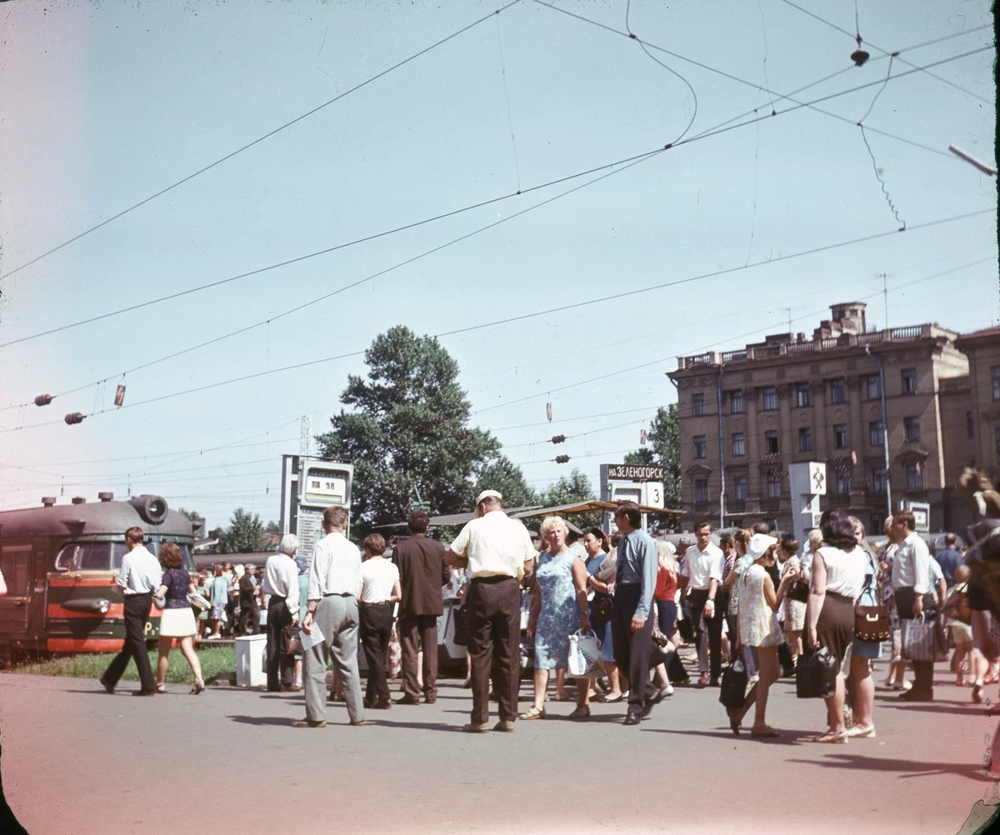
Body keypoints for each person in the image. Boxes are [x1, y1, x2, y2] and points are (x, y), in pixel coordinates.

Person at [447, 489, 536, 733]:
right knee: (509, 653)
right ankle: (508, 717)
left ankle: (480, 719)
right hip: (509, 590)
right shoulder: (518, 527)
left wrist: (472, 559)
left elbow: (451, 557)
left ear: (483, 506)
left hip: (482, 591)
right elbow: (528, 566)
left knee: (480, 654)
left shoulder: (474, 526)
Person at [296, 505, 365, 728]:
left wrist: (309, 611)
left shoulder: (323, 545)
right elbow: (358, 578)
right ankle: (357, 715)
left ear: (324, 525)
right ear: (345, 524)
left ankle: (316, 716)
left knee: (315, 657)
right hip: (351, 604)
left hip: (329, 602)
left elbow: (317, 578)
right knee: (348, 661)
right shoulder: (354, 548)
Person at [806, 509, 868, 743]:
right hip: (848, 610)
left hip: (828, 609)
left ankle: (838, 727)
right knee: (838, 668)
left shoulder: (822, 553)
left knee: (827, 668)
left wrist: (812, 625)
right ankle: (837, 722)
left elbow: (817, 590)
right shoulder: (859, 554)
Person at [521, 517, 592, 721]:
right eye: (552, 532)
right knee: (541, 660)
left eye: (559, 531)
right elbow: (539, 592)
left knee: (576, 662)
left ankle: (583, 704)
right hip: (546, 618)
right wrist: (533, 617)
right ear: (546, 536)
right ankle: (538, 705)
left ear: (565, 533)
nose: (556, 534)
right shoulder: (542, 559)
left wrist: (584, 614)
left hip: (570, 617)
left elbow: (581, 589)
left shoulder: (574, 558)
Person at [729, 534, 792, 737]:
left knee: (773, 673)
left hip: (752, 628)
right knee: (766, 675)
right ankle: (758, 722)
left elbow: (741, 605)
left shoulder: (746, 572)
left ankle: (741, 710)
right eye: (773, 550)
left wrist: (739, 635)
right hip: (764, 628)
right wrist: (785, 582)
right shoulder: (762, 575)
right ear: (765, 552)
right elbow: (775, 604)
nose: (775, 554)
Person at [611, 502, 662, 726]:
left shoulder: (646, 542)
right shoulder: (623, 541)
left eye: (617, 515)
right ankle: (648, 689)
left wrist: (642, 611)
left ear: (627, 518)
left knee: (637, 656)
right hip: (621, 595)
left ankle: (635, 706)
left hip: (637, 597)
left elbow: (649, 580)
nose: (614, 519)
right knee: (621, 653)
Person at [393, 510, 450, 705]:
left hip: (408, 603)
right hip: (431, 602)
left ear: (409, 527)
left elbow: (396, 578)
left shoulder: (401, 549)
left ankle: (412, 692)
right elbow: (446, 576)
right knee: (430, 648)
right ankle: (431, 692)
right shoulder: (438, 547)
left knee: (409, 648)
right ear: (427, 527)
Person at [100, 527, 162, 696]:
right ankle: (110, 678)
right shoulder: (152, 559)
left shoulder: (128, 558)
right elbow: (157, 584)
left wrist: (118, 589)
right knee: (132, 642)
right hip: (147, 601)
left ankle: (148, 685)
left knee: (137, 642)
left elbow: (122, 583)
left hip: (133, 602)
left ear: (129, 539)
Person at [890, 509, 935, 701]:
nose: (892, 528)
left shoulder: (916, 544)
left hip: (914, 596)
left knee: (920, 644)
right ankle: (919, 685)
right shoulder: (904, 545)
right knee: (912, 644)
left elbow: (921, 573)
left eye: (895, 524)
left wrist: (918, 599)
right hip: (905, 596)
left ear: (904, 525)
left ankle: (924, 688)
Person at [844, 517, 882, 739]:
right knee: (860, 667)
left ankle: (865, 721)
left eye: (857, 533)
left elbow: (857, 585)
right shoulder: (869, 554)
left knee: (860, 667)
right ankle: (862, 719)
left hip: (863, 612)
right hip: (870, 611)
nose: (854, 538)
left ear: (863, 535)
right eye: (850, 533)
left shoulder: (861, 555)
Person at [152, 543, 205, 695]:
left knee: (164, 651)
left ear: (164, 558)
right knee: (188, 649)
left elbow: (161, 594)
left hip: (172, 613)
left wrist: (153, 594)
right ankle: (199, 679)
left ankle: (160, 684)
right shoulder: (185, 574)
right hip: (186, 611)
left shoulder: (168, 574)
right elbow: (194, 593)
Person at [356, 533, 401, 710]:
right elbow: (399, 595)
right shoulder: (392, 568)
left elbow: (357, 595)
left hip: (369, 610)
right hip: (386, 611)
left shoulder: (363, 567)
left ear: (367, 548)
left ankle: (384, 695)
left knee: (373, 656)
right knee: (379, 655)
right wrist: (388, 599)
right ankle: (370, 696)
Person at [679, 521, 725, 686]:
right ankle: (704, 671)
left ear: (711, 533)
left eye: (706, 534)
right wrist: (684, 593)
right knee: (700, 633)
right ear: (695, 534)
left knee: (714, 635)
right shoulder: (690, 552)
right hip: (696, 594)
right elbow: (685, 574)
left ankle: (715, 675)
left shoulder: (716, 553)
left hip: (712, 593)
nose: (703, 537)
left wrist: (711, 600)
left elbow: (715, 577)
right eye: (700, 534)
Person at [583, 527, 625, 702]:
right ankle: (591, 689)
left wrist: (591, 579)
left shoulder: (607, 560)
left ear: (600, 541)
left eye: (589, 541)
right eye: (584, 541)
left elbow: (610, 589)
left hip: (604, 609)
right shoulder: (587, 560)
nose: (586, 545)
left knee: (608, 651)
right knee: (591, 649)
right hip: (591, 609)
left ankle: (616, 689)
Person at [262, 534, 300, 692]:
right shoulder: (291, 564)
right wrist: (294, 611)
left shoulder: (271, 560)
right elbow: (292, 589)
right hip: (285, 604)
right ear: (292, 549)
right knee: (287, 642)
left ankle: (272, 681)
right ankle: (287, 680)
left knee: (272, 642)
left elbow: (265, 583)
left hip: (273, 603)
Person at [651, 539, 679, 698]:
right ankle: (667, 675)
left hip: (662, 604)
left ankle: (661, 677)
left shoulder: (660, 568)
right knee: (665, 638)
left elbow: (657, 590)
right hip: (670, 603)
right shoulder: (671, 567)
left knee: (662, 641)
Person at [238, 564, 260, 636]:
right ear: (247, 570)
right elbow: (244, 588)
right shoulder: (243, 578)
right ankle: (242, 632)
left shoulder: (252, 578)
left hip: (253, 600)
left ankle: (256, 631)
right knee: (244, 617)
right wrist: (253, 588)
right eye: (251, 569)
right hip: (246, 601)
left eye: (254, 569)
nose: (253, 571)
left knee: (256, 616)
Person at [207, 564, 228, 639]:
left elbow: (217, 593)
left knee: (216, 618)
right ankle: (215, 632)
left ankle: (216, 632)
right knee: (216, 618)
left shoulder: (217, 582)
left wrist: (214, 603)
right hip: (222, 601)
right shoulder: (223, 580)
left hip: (217, 602)